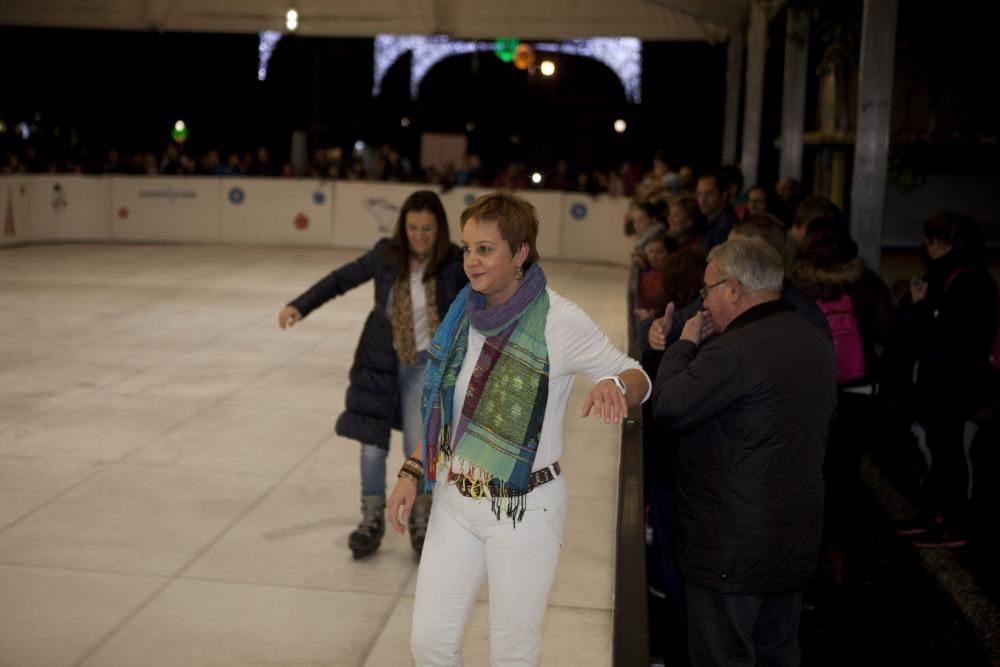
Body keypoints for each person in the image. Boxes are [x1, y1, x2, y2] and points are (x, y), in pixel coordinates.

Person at [386, 191, 651, 666]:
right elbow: (446, 412)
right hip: (455, 499)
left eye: (485, 249)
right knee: (428, 643)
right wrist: (412, 471)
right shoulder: (464, 312)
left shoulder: (559, 320)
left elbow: (638, 374)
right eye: (467, 248)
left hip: (526, 510)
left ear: (521, 252)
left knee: (512, 654)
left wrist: (615, 384)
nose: (471, 261)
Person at [652, 238, 837, 666]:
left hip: (730, 550)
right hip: (792, 541)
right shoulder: (814, 342)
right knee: (778, 652)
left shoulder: (733, 352)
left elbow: (669, 406)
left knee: (723, 654)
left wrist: (684, 344)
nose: (704, 303)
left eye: (707, 290)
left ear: (733, 290)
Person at [278, 190, 467, 559]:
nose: (419, 236)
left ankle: (421, 517)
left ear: (439, 229)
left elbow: (486, 293)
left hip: (426, 366)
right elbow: (341, 280)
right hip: (379, 360)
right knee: (371, 447)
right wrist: (299, 306)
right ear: (404, 226)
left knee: (420, 442)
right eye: (413, 227)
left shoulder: (454, 263)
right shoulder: (386, 255)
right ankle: (371, 518)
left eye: (427, 229)